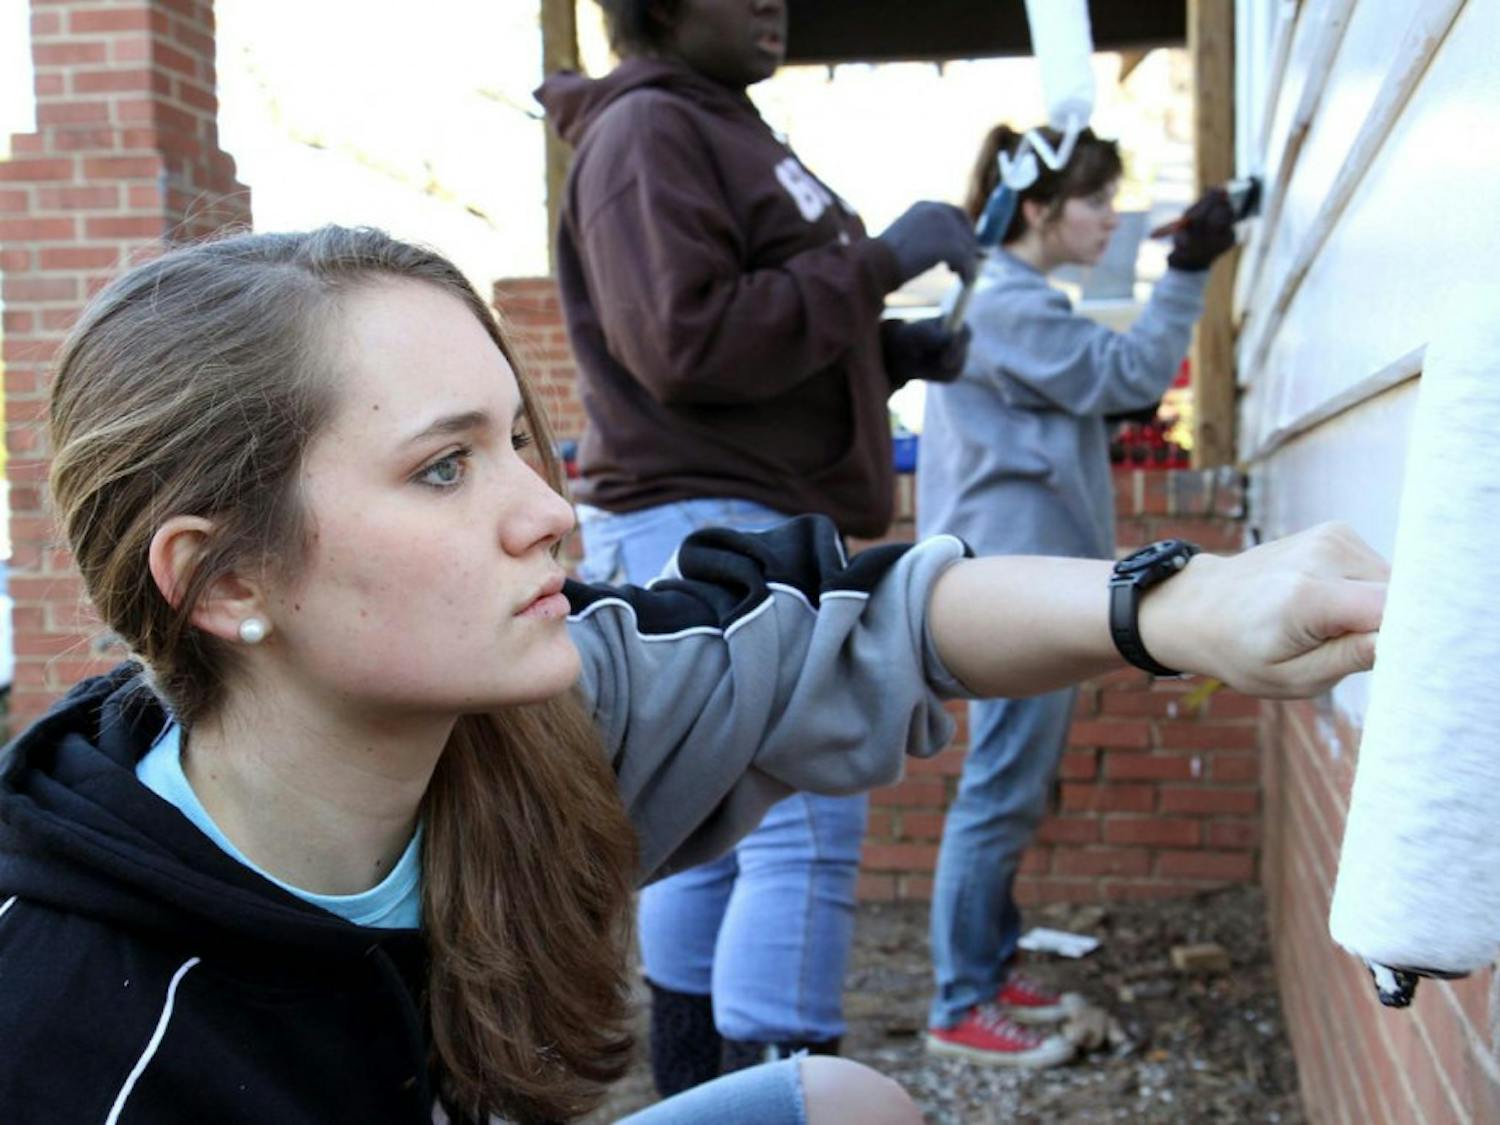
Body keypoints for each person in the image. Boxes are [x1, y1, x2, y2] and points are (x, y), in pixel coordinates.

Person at [0, 226, 1384, 1125]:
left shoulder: (537, 722)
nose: (554, 511)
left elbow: (873, 614)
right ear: (228, 579)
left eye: (521, 440)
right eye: (441, 466)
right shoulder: (76, 1028)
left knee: (845, 1107)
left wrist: (1186, 602)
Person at [535, 0, 975, 1093]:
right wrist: (876, 267)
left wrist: (889, 354)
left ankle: (700, 1095)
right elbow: (684, 341)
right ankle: (782, 1096)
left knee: (700, 825)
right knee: (806, 831)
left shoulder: (716, 123)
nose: (775, 4)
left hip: (723, 505)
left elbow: (753, 325)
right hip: (711, 516)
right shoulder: (648, 133)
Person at [916, 123, 1241, 1066]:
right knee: (998, 790)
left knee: (1014, 787)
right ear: (1037, 208)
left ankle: (989, 959)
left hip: (1024, 577)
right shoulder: (1011, 307)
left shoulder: (1011, 298)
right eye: (1095, 200)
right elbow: (1134, 377)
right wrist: (1188, 266)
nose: (1111, 215)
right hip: (1013, 586)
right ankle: (959, 1004)